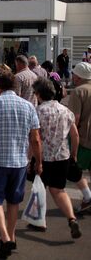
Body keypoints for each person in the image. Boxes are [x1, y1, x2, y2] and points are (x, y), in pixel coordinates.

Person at [0, 72, 42, 259]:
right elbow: (36, 139)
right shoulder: (29, 106)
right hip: (20, 161)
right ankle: (11, 235)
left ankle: (5, 236)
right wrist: (38, 161)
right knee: (14, 200)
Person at [32, 78, 81, 238]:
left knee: (40, 188)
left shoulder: (37, 111)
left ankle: (40, 221)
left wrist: (33, 160)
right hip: (62, 156)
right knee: (59, 190)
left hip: (43, 156)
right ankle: (71, 218)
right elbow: (75, 135)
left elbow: (35, 138)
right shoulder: (65, 110)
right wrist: (73, 154)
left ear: (39, 94)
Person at [68, 62, 91, 213]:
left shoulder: (78, 92)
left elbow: (73, 119)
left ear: (78, 76)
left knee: (73, 170)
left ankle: (88, 197)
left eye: (74, 74)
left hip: (83, 138)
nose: (73, 77)